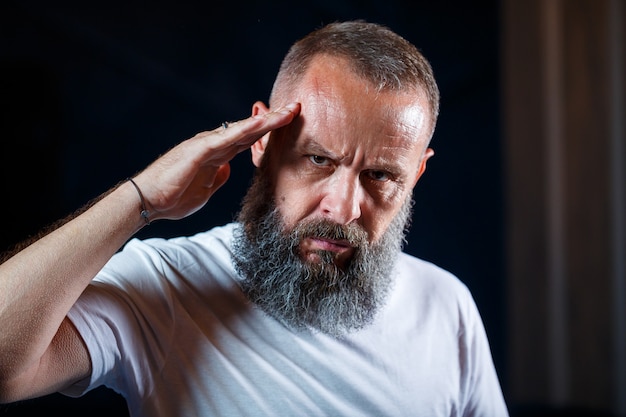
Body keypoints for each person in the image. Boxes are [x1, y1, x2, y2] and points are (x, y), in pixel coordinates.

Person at [0, 20, 509, 416]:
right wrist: (140, 199)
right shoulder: (164, 286)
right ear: (261, 139)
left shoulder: (446, 306)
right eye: (318, 160)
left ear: (416, 173)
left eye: (380, 175)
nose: (344, 207)